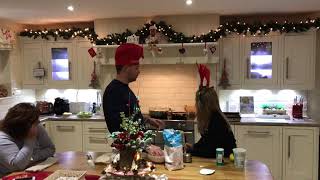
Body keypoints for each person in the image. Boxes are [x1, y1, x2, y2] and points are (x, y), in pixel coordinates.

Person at [103, 43, 164, 155]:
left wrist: (147, 119)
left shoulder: (124, 89)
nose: (139, 71)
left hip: (136, 151)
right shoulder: (114, 92)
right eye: (136, 67)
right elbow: (119, 128)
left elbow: (128, 116)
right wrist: (147, 146)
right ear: (126, 68)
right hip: (127, 155)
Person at [0, 103, 55, 177]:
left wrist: (31, 158)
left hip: (34, 170)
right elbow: (17, 166)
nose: (38, 125)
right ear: (22, 125)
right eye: (35, 124)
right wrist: (30, 138)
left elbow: (50, 149)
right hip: (10, 176)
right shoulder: (2, 138)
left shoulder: (36, 126)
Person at [186, 87, 237, 158]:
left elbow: (209, 152)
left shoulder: (217, 121)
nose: (195, 105)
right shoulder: (211, 118)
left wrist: (191, 151)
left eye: (196, 102)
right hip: (219, 159)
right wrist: (193, 146)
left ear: (202, 106)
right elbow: (205, 141)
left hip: (225, 161)